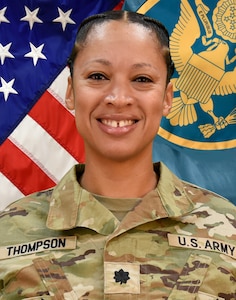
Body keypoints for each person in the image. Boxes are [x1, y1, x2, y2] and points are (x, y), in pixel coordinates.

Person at [0, 10, 235, 299]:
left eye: (142, 79)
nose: (119, 97)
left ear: (167, 98)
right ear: (71, 91)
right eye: (98, 76)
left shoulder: (229, 229)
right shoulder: (8, 232)